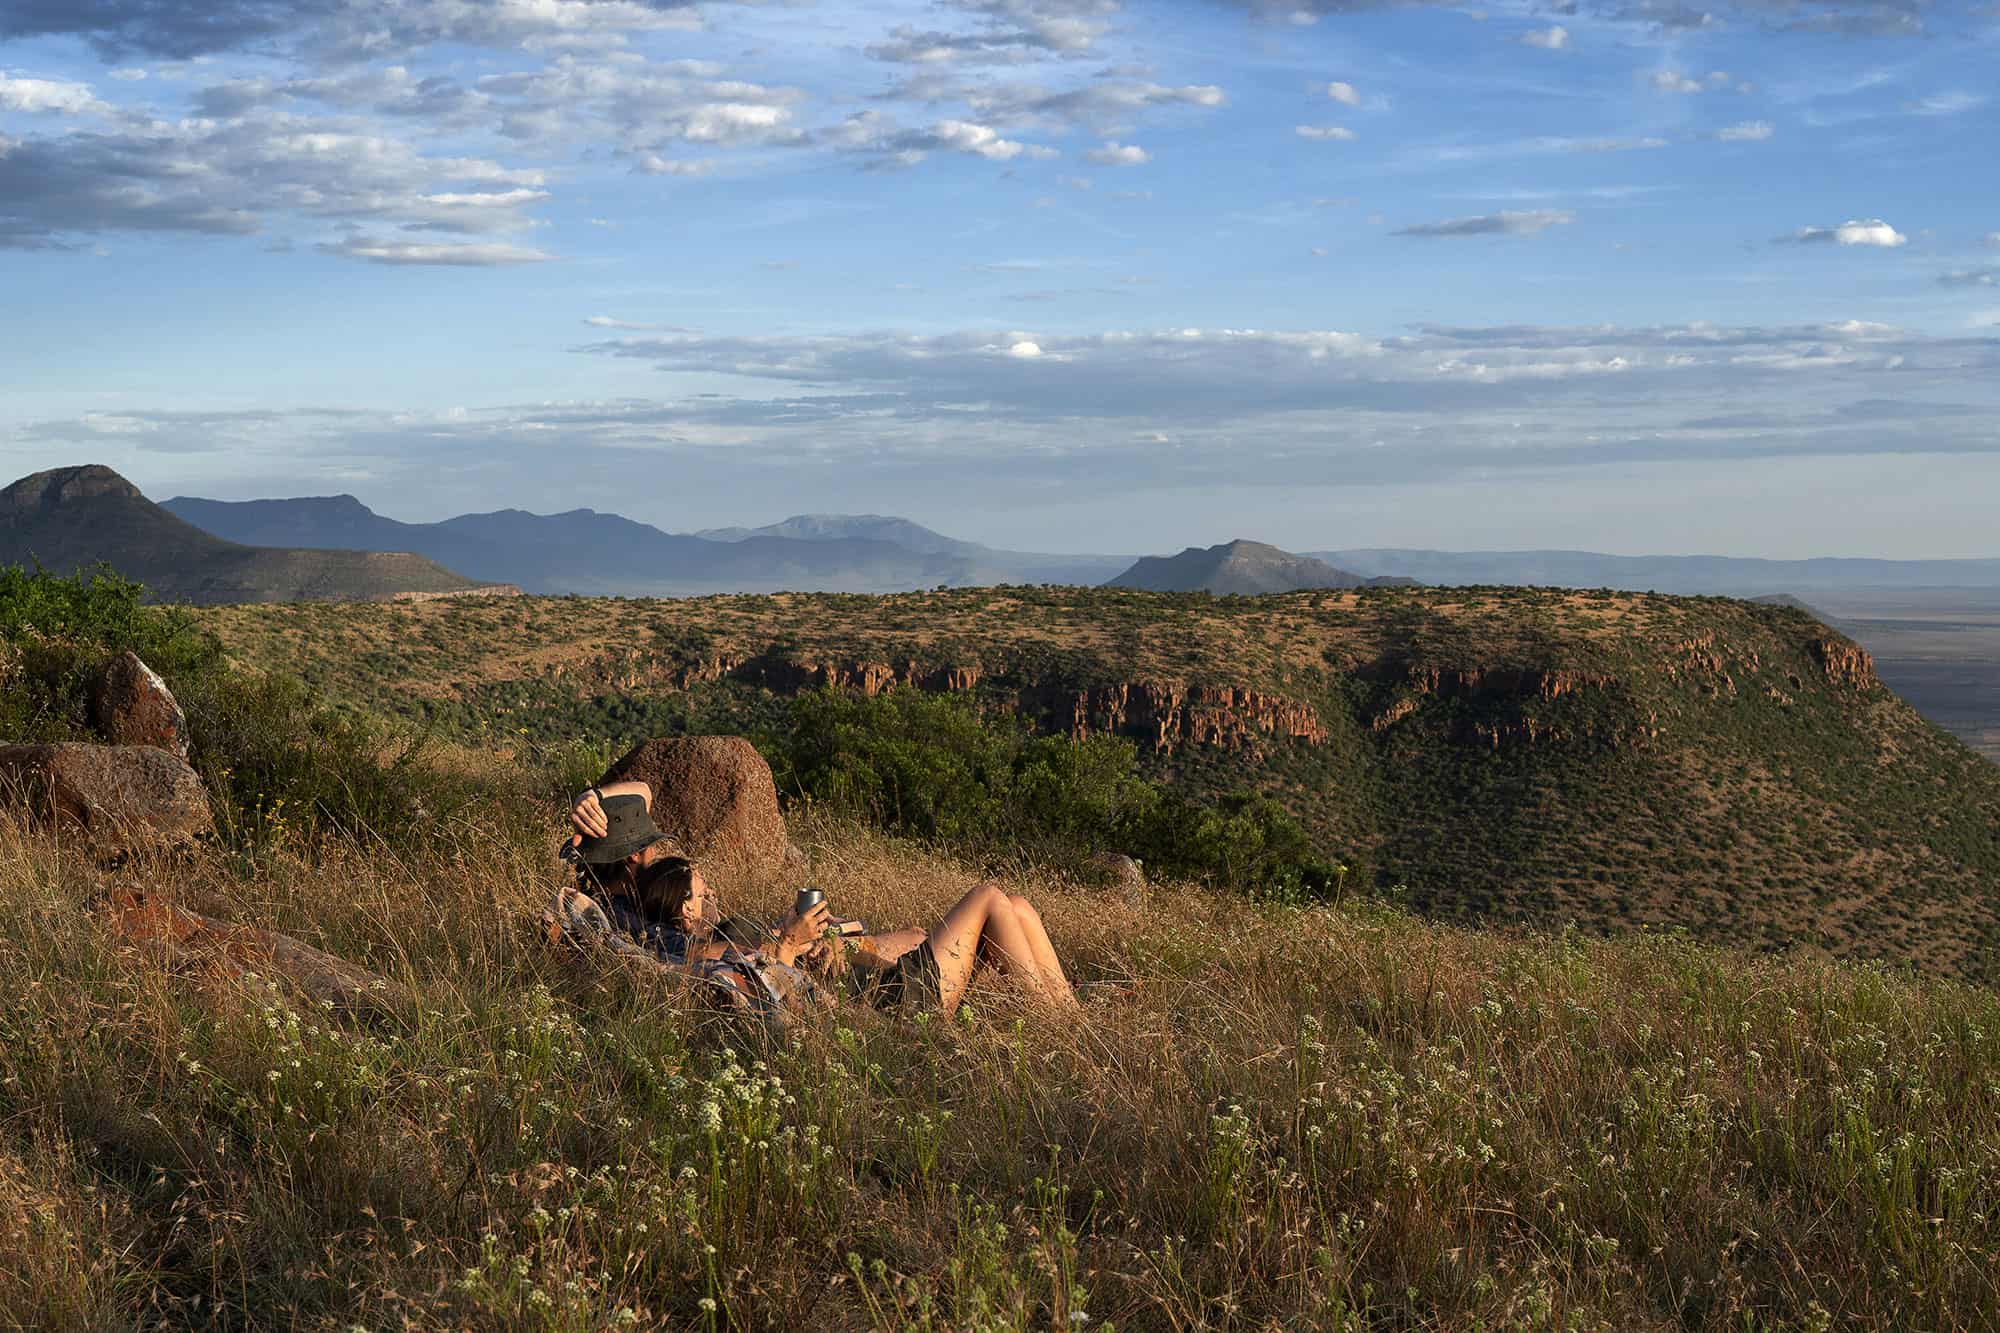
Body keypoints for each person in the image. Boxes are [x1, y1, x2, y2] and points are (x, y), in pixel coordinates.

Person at [562, 781, 1077, 1015]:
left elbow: (645, 790)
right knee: (990, 898)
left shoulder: (642, 903)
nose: (661, 848)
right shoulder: (646, 934)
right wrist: (789, 940)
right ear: (633, 857)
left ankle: (1069, 1016)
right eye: (651, 843)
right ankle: (1064, 1028)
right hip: (895, 1007)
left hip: (868, 982)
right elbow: (716, 968)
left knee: (1019, 907)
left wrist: (593, 798)